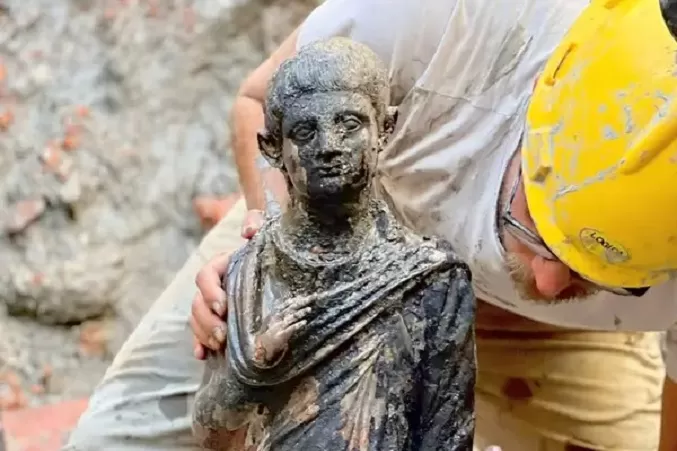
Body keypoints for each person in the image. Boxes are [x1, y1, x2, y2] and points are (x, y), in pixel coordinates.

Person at [64, 0, 677, 450]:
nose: (543, 281)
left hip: (557, 342)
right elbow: (259, 103)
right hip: (331, 229)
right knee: (113, 443)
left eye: (606, 271)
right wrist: (269, 262)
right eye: (538, 224)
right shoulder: (458, 19)